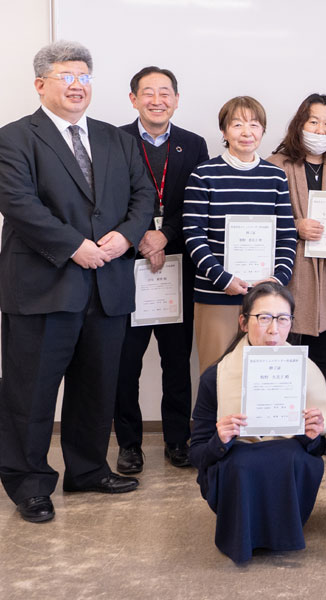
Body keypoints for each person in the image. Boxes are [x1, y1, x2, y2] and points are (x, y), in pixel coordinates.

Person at [0, 41, 154, 523]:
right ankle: (29, 483)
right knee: (32, 392)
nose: (76, 84)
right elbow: (19, 204)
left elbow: (142, 196)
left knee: (96, 386)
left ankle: (87, 469)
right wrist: (75, 246)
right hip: (44, 285)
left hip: (107, 284)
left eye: (84, 76)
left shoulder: (116, 138)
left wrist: (124, 238)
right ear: (40, 83)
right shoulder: (15, 138)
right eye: (66, 76)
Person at [188, 281, 326, 564]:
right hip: (236, 459)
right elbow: (197, 454)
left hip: (286, 456)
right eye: (263, 318)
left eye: (282, 319)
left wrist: (311, 435)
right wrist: (219, 440)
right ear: (243, 321)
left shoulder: (307, 371)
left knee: (293, 457)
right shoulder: (216, 376)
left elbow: (314, 450)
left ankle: (284, 528)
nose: (273, 330)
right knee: (242, 463)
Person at [113, 66, 209, 474]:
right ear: (133, 98)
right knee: (125, 364)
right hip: (125, 267)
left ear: (176, 98)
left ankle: (177, 441)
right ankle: (129, 445)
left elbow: (200, 204)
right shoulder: (113, 140)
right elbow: (105, 201)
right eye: (148, 92)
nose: (157, 100)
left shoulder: (194, 143)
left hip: (178, 267)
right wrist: (140, 238)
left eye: (165, 92)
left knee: (176, 362)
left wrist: (165, 235)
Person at [268, 93, 326, 457]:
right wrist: (295, 225)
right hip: (291, 276)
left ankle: (316, 433)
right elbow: (262, 217)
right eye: (314, 122)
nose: (321, 130)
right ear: (299, 124)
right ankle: (285, 429)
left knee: (322, 358)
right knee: (287, 357)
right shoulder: (276, 164)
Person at [182, 96, 297, 372]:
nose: (247, 132)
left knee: (261, 374)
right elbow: (193, 235)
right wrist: (223, 279)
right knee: (216, 372)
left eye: (254, 125)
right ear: (224, 131)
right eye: (237, 124)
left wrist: (277, 280)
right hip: (215, 294)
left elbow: (287, 235)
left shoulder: (275, 177)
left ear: (263, 130)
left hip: (265, 298)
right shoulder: (203, 175)